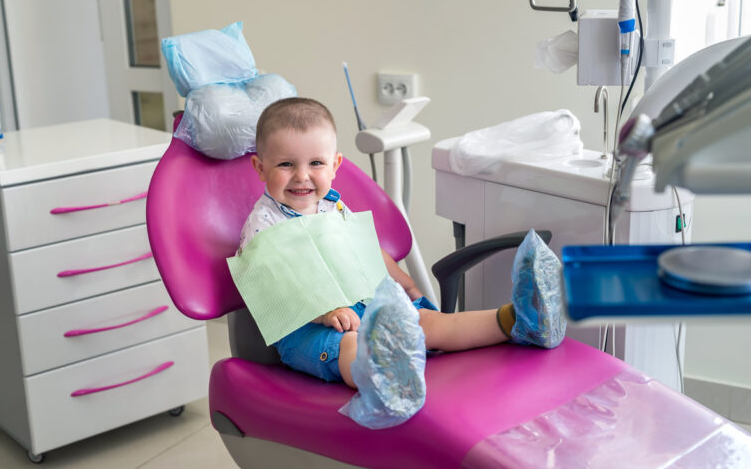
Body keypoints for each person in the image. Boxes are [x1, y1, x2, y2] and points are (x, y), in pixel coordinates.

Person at [239, 97, 563, 389]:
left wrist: (403, 282)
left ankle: (519, 320)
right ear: (260, 167)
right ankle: (387, 377)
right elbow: (273, 286)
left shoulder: (333, 206)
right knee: (351, 344)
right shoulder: (263, 224)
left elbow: (364, 252)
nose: (302, 176)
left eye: (316, 164)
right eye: (286, 164)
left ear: (335, 166)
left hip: (367, 305)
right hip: (311, 326)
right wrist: (323, 312)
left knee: (429, 322)